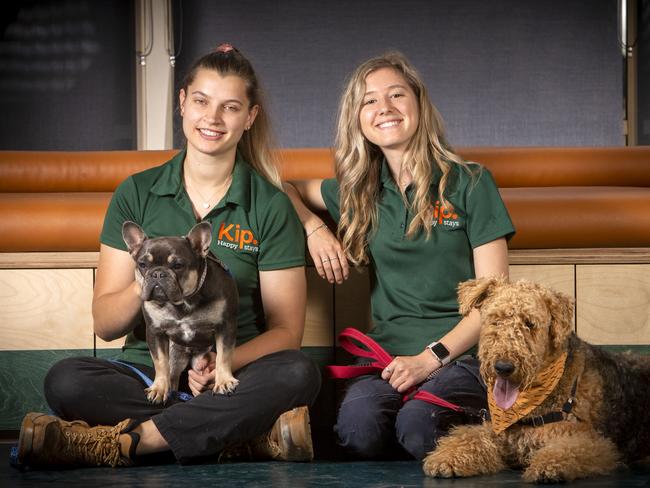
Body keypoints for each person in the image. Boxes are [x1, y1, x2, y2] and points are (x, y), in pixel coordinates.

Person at [16, 44, 321, 469]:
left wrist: (219, 365)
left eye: (230, 107)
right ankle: (240, 436)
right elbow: (105, 325)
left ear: (249, 117)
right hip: (149, 375)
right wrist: (150, 277)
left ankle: (128, 442)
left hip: (232, 375)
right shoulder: (137, 192)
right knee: (66, 380)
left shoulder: (269, 205)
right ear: (182, 103)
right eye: (201, 101)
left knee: (298, 373)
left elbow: (287, 331)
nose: (212, 119)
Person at [283, 51, 515, 460]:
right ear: (357, 118)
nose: (384, 108)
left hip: (463, 355)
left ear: (419, 105)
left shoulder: (471, 182)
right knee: (359, 431)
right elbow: (284, 186)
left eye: (396, 95)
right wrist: (314, 227)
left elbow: (495, 300)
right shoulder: (359, 194)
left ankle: (485, 428)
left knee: (419, 429)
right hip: (387, 357)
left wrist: (431, 360)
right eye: (369, 100)